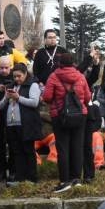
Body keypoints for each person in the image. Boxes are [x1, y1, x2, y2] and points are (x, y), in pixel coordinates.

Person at [41, 52, 90, 193]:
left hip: (60, 116)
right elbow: (87, 97)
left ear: (59, 63)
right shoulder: (80, 76)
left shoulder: (54, 76)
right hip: (80, 116)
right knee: (77, 146)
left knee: (63, 148)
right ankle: (77, 179)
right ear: (73, 63)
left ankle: (65, 180)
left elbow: (47, 97)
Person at [0, 63, 42, 184]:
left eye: (19, 76)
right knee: (16, 152)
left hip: (26, 124)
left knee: (28, 150)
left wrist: (18, 98)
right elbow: (0, 106)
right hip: (12, 124)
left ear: (25, 74)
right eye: (14, 76)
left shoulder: (33, 85)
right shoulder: (11, 86)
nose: (17, 79)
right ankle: (20, 178)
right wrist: (6, 97)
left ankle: (32, 178)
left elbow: (34, 103)